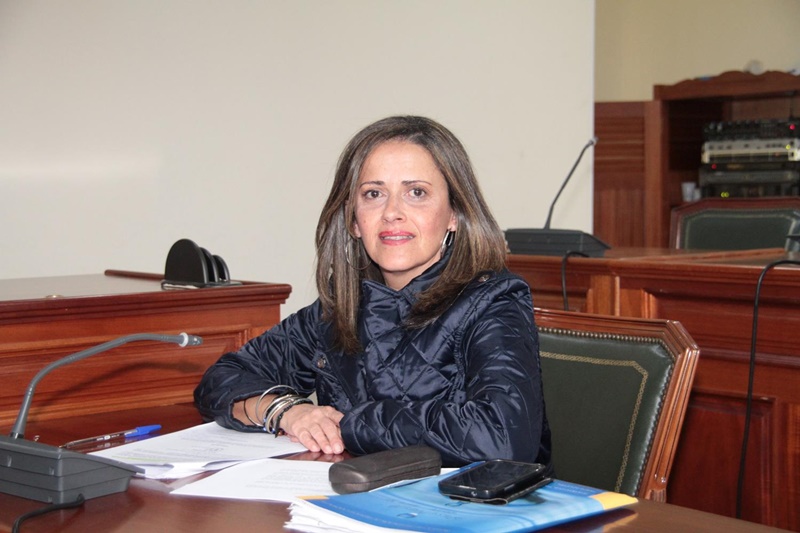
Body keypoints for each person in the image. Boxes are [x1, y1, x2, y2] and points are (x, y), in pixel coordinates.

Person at [194, 115, 552, 469]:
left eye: (416, 193)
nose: (392, 212)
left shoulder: (495, 300)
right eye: (373, 194)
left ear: (454, 214)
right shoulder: (341, 308)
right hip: (350, 495)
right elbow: (222, 377)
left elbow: (503, 437)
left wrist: (349, 424)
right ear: (354, 220)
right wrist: (286, 410)